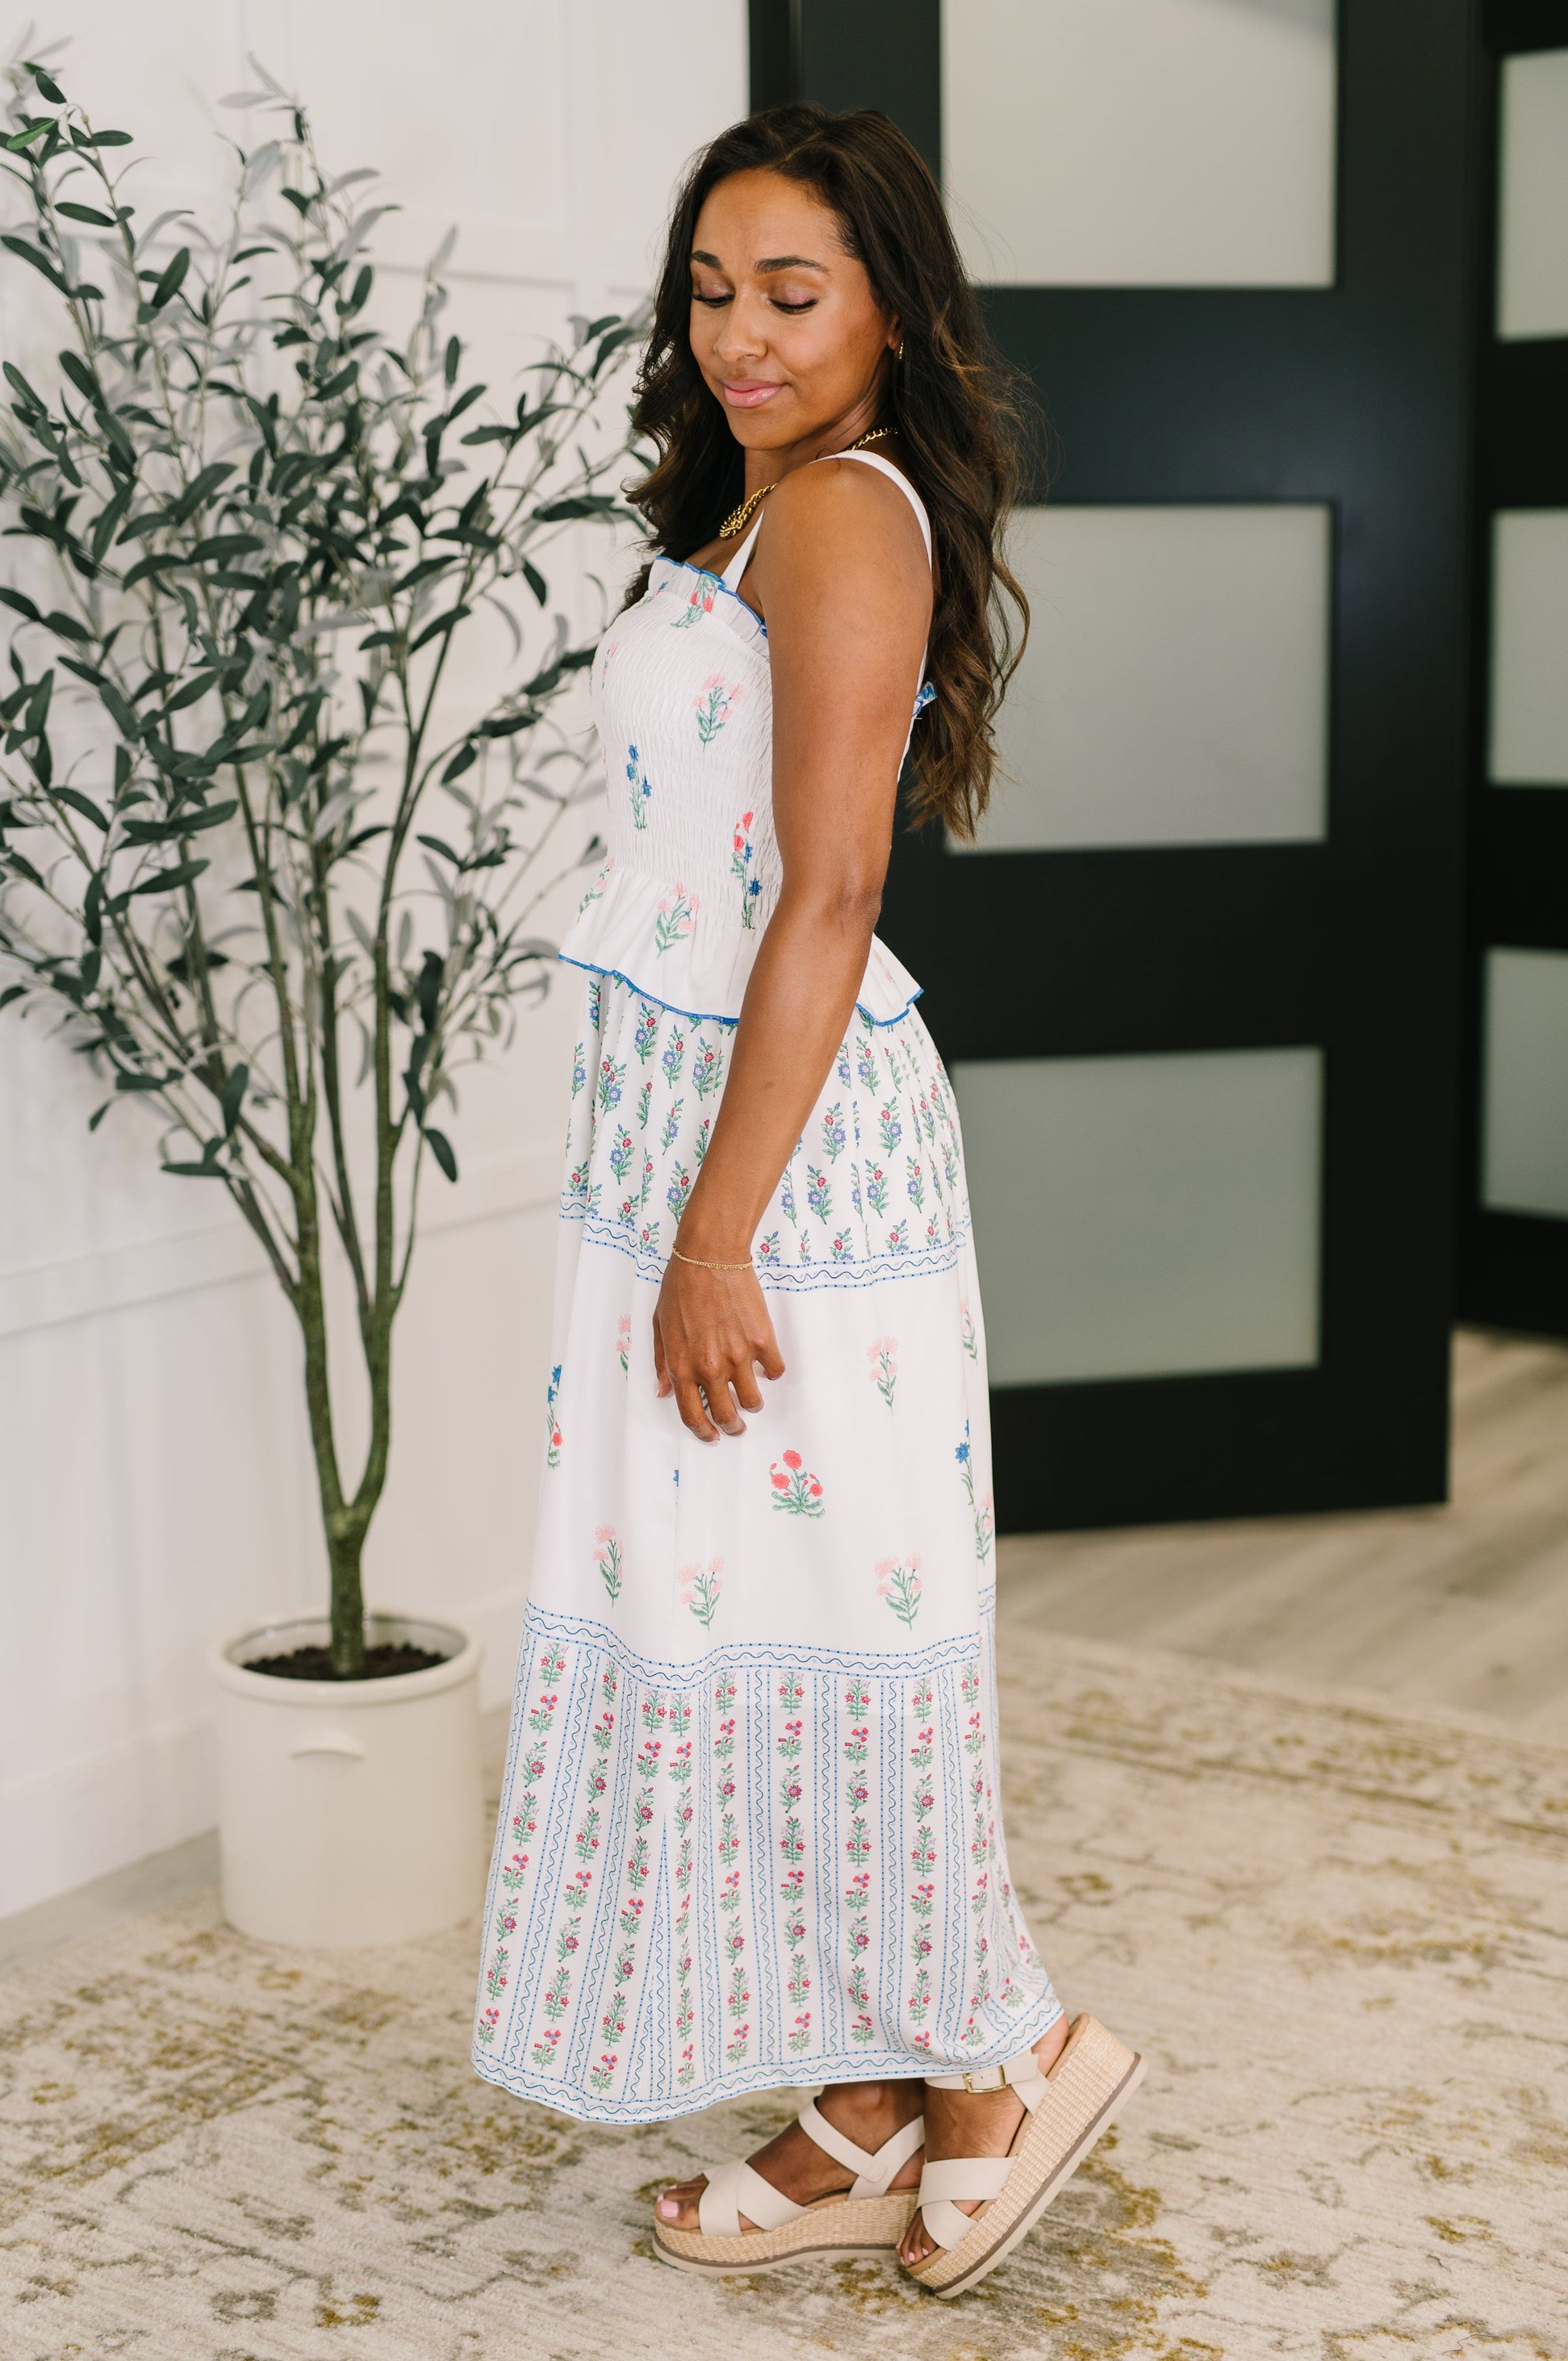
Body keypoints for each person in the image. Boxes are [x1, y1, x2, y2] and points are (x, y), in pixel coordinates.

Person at [472, 101, 1144, 2299]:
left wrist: (714, 1233)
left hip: (780, 1170)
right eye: (709, 289)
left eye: (791, 291)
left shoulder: (847, 515)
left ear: (889, 312)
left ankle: (994, 2056)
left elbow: (831, 891)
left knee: (842, 1607)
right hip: (696, 1134)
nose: (738, 334)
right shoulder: (759, 503)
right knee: (741, 1605)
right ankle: (869, 2087)